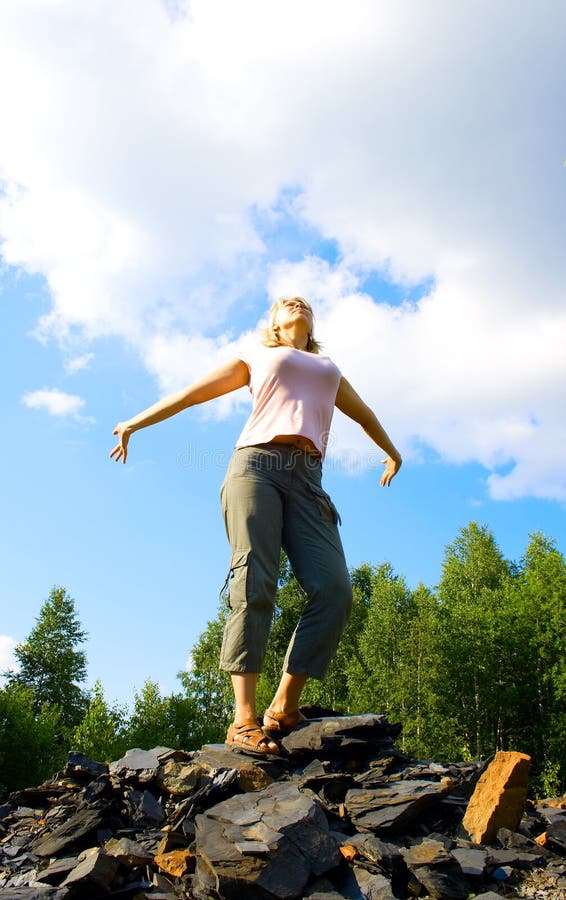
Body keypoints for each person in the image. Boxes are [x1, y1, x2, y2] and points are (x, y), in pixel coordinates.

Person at [110, 297, 402, 755]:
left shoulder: (327, 368)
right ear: (274, 323)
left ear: (311, 322)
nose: (296, 302)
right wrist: (133, 423)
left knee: (335, 590)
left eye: (303, 301)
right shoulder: (258, 355)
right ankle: (243, 720)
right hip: (256, 468)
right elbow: (193, 393)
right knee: (255, 581)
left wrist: (392, 452)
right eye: (286, 302)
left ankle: (284, 705)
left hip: (309, 480)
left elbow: (363, 414)